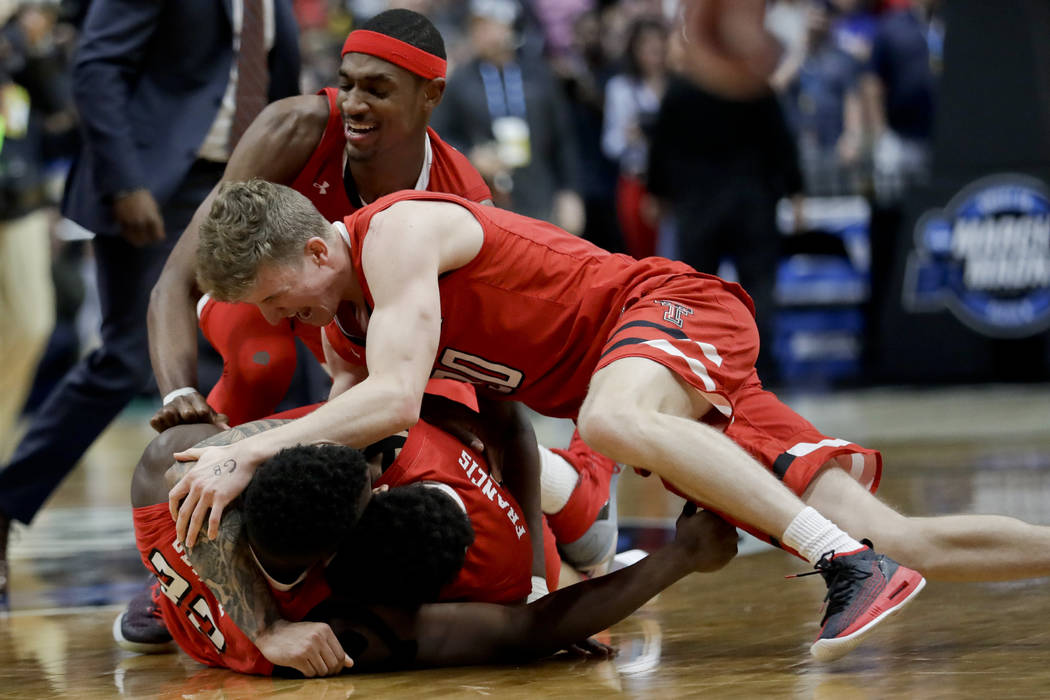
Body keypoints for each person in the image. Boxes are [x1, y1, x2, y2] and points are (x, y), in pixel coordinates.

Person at [180, 179, 1050, 663]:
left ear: (320, 250)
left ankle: (845, 563)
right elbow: (378, 432)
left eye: (274, 298)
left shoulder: (394, 234)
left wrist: (244, 448)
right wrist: (534, 591)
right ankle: (863, 555)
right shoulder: (344, 324)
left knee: (608, 421)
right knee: (911, 543)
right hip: (655, 380)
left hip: (665, 312)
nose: (281, 321)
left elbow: (398, 398)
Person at [0, 0, 301, 604]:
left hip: (243, 182)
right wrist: (124, 182)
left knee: (262, 354)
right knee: (128, 362)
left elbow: (282, 89)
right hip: (154, 184)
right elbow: (96, 67)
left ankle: (243, 545)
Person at [132, 420, 737, 676]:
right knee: (572, 538)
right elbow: (525, 629)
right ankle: (586, 472)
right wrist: (679, 556)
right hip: (503, 547)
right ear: (332, 557)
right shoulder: (337, 631)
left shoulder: (180, 504)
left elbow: (166, 452)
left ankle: (577, 478)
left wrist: (240, 449)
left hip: (196, 595)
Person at [148, 8, 491, 434]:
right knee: (263, 360)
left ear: (432, 94)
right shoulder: (294, 128)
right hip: (265, 293)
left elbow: (473, 342)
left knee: (447, 411)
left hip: (360, 317)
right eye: (346, 84)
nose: (353, 103)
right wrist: (180, 394)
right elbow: (177, 281)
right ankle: (190, 478)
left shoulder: (463, 197)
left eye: (377, 91)